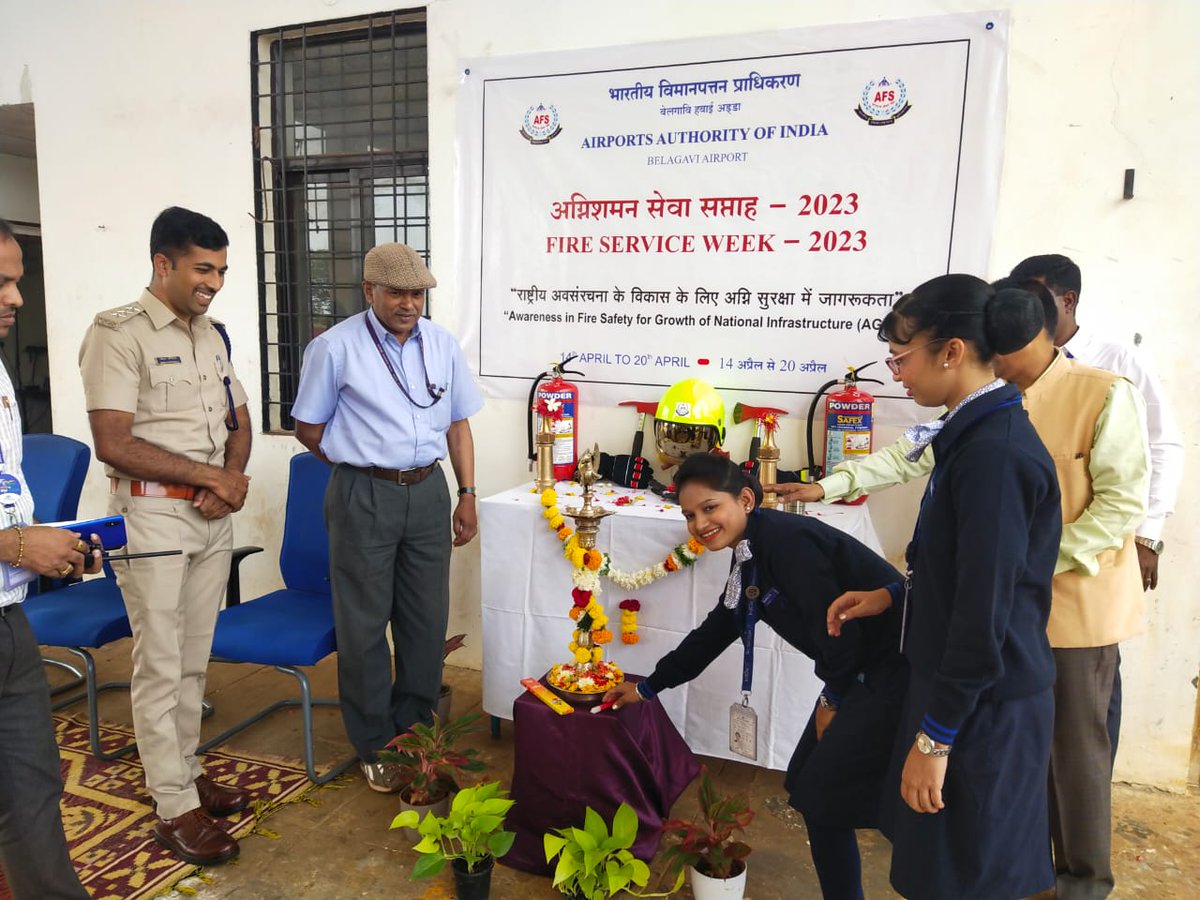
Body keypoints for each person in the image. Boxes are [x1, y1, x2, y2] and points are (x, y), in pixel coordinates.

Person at [828, 276, 1062, 899]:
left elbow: (985, 610)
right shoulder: (969, 435)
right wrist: (896, 597)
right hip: (960, 695)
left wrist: (937, 738)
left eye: (902, 357)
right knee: (941, 873)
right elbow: (961, 573)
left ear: (951, 351)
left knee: (966, 879)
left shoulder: (995, 454)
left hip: (982, 709)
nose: (896, 373)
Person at [604, 453, 907, 900]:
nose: (699, 524)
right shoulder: (751, 552)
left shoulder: (786, 543)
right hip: (858, 677)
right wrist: (649, 688)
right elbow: (719, 628)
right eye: (689, 515)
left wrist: (833, 702)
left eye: (710, 508)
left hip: (884, 675)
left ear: (745, 499)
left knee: (850, 799)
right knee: (815, 790)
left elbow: (841, 632)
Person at [79, 207, 252, 865]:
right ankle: (173, 804)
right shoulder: (117, 333)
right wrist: (211, 477)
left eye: (223, 270)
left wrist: (228, 481)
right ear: (164, 263)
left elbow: (240, 418)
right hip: (151, 518)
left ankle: (187, 769)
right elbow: (113, 441)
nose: (215, 282)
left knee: (194, 658)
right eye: (203, 269)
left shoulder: (212, 334)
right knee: (159, 662)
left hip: (211, 515)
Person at [290, 242, 483, 792]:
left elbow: (458, 426)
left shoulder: (442, 345)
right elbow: (309, 429)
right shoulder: (335, 348)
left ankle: (415, 732)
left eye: (417, 294)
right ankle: (374, 741)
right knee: (364, 624)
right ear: (368, 291)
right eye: (396, 292)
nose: (408, 304)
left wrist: (466, 493)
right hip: (362, 494)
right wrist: (359, 464)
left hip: (429, 492)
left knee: (425, 621)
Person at [0, 218, 101, 899]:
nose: (15, 298)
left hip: (9, 620)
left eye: (16, 280)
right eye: (1, 282)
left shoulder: (2, 376)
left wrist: (44, 545)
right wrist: (12, 546)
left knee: (32, 785)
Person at [1009, 253, 1180, 593]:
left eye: (1036, 300)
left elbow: (1162, 443)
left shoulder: (1116, 362)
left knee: (1086, 639)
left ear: (1067, 300)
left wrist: (1148, 535)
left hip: (1097, 541)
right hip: (1024, 540)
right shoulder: (1009, 364)